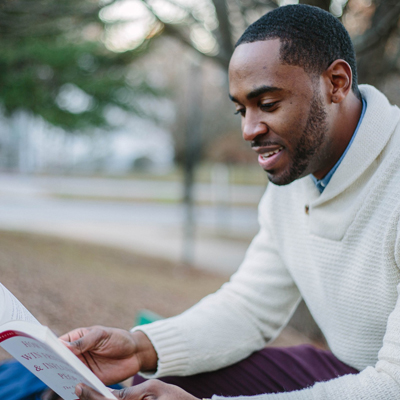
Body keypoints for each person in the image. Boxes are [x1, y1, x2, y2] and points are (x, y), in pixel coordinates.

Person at [60, 4, 400, 400]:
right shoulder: (294, 181)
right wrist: (140, 347)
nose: (248, 130)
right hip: (352, 369)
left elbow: (392, 385)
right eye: (242, 109)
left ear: (337, 83)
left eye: (268, 104)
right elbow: (249, 308)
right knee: (166, 383)